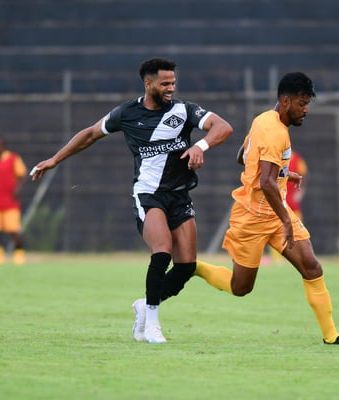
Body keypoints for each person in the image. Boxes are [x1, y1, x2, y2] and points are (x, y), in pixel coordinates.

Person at [30, 58, 233, 344]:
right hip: (148, 194)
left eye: (173, 83)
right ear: (148, 83)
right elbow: (89, 135)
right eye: (164, 83)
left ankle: (144, 305)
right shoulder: (126, 113)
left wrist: (201, 145)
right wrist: (53, 160)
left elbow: (223, 127)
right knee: (162, 251)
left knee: (186, 266)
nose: (170, 88)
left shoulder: (184, 110)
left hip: (179, 195)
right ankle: (152, 324)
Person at [194, 72, 339, 345]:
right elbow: (265, 181)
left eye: (307, 103)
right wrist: (287, 220)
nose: (306, 110)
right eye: (302, 104)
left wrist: (284, 174)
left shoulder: (263, 119)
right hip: (253, 216)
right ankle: (193, 267)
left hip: (275, 213)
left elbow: (242, 157)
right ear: (286, 101)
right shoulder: (273, 130)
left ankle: (332, 336)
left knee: (312, 267)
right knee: (240, 287)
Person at [262, 150, 308, 264]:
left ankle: (298, 257)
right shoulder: (272, 157)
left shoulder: (296, 158)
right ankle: (277, 259)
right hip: (277, 199)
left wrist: (301, 192)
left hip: (291, 201)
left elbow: (305, 174)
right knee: (274, 229)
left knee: (297, 229)